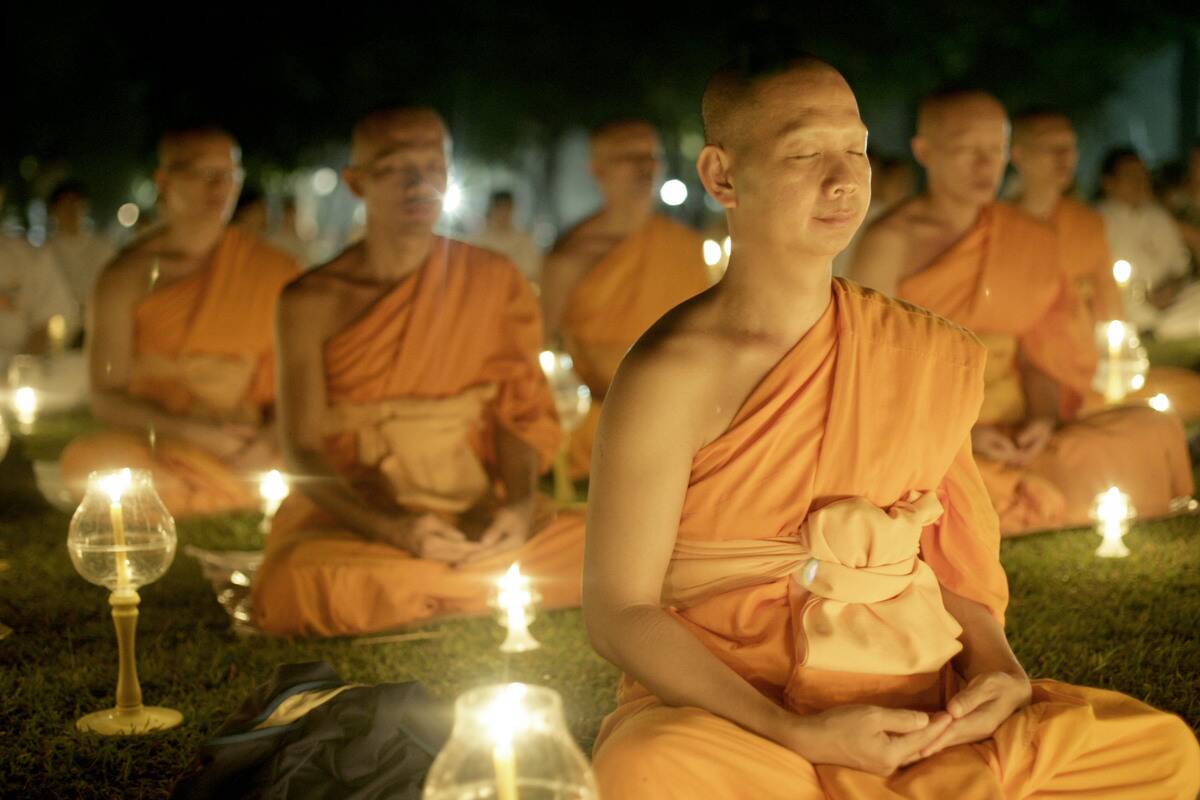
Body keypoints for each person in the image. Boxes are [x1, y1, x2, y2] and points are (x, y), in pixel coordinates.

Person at [584, 55, 1200, 800]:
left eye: (857, 149)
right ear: (722, 177)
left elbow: (949, 562)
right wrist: (792, 731)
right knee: (647, 766)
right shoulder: (668, 373)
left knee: (1165, 753)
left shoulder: (916, 350)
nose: (844, 179)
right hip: (747, 719)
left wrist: (999, 671)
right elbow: (620, 613)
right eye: (806, 153)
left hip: (915, 707)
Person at [251, 108, 584, 637]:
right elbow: (303, 450)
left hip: (474, 511)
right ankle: (479, 581)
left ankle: (433, 583)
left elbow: (516, 412)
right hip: (358, 517)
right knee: (294, 582)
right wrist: (393, 529)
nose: (418, 184)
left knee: (612, 543)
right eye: (394, 168)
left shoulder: (492, 279)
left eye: (433, 166)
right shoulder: (310, 301)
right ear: (356, 183)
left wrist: (519, 505)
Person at [851, 91, 1193, 536]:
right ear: (925, 151)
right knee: (940, 477)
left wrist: (1041, 418)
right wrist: (959, 435)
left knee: (1151, 428)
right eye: (966, 150)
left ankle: (1023, 477)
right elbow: (872, 368)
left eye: (995, 150)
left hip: (1015, 424)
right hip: (928, 429)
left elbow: (1035, 354)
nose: (985, 165)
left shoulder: (1025, 236)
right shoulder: (892, 241)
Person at [59, 127, 299, 517]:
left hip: (247, 439)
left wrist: (268, 441)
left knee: (322, 457)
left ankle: (225, 485)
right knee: (92, 464)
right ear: (164, 180)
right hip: (160, 442)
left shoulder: (274, 269)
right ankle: (235, 490)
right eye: (204, 173)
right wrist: (195, 432)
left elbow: (299, 380)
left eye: (230, 174)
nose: (220, 187)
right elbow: (106, 397)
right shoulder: (126, 276)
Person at [540, 119, 710, 477]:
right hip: (600, 421)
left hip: (681, 415)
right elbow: (545, 352)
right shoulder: (570, 258)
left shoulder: (685, 247)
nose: (644, 167)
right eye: (628, 157)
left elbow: (708, 337)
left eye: (650, 157)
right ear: (597, 170)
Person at [1011, 111, 1200, 421]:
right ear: (1018, 154)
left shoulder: (1087, 223)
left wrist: (1115, 355)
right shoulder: (998, 223)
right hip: (1022, 362)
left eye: (1070, 147)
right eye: (1050, 146)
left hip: (1084, 354)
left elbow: (1108, 303)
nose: (1064, 157)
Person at [43, 180, 116, 310]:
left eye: (75, 204)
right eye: (65, 205)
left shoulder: (103, 247)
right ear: (54, 210)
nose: (70, 211)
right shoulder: (46, 253)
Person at [472, 190, 542, 284]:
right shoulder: (478, 241)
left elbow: (532, 271)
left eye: (508, 208)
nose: (504, 214)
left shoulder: (524, 240)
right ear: (491, 209)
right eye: (500, 208)